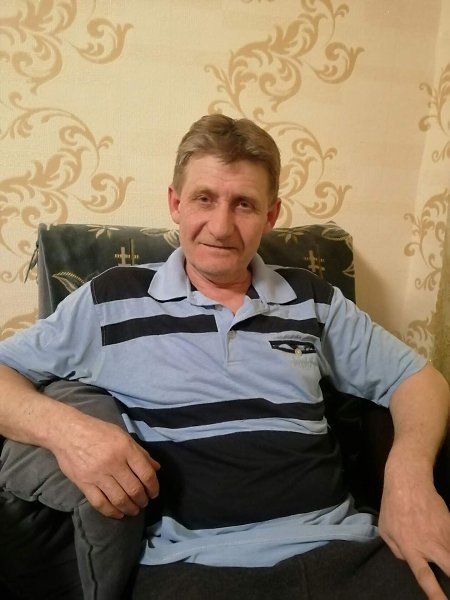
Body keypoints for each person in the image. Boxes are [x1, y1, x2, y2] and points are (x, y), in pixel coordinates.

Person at [0, 114, 449, 600]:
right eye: (204, 199)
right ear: (175, 203)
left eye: (244, 205)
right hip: (196, 570)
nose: (220, 227)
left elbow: (418, 379)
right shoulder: (111, 299)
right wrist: (71, 433)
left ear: (271, 215)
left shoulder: (313, 299)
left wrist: (409, 474)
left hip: (347, 553)